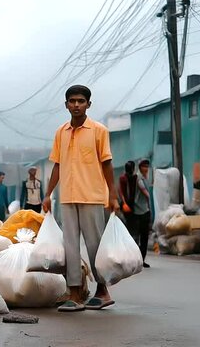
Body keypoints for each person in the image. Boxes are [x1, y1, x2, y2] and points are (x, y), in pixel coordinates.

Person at [42, 85, 120, 312]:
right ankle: (74, 293)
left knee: (95, 244)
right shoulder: (61, 132)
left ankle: (103, 291)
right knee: (70, 247)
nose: (76, 105)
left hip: (93, 196)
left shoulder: (98, 130)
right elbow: (57, 164)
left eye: (81, 101)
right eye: (72, 101)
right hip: (67, 196)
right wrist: (48, 194)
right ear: (66, 104)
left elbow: (107, 163)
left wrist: (113, 195)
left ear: (88, 104)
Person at [134, 159, 152, 268]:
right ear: (140, 167)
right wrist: (149, 196)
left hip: (145, 210)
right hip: (138, 211)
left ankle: (142, 259)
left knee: (144, 237)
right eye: (144, 166)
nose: (145, 168)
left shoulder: (146, 178)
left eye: (147, 166)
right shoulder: (138, 177)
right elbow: (143, 190)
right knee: (137, 237)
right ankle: (136, 259)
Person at [118, 161, 137, 235]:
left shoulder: (135, 177)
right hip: (126, 203)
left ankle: (132, 237)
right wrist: (124, 203)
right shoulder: (123, 178)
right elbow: (121, 191)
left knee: (133, 222)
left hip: (133, 203)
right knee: (128, 223)